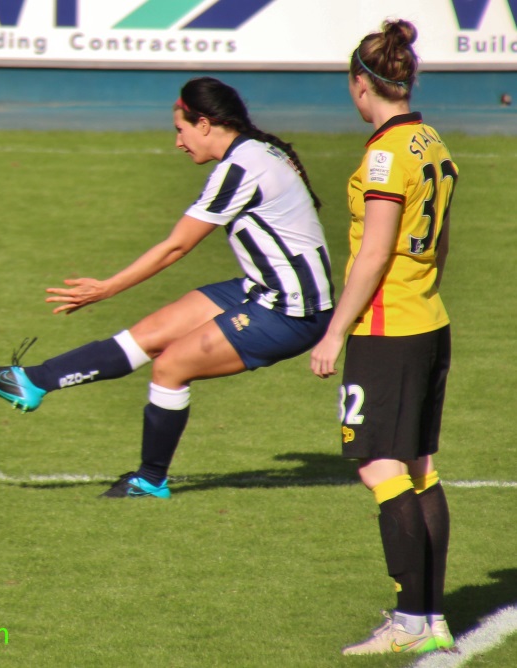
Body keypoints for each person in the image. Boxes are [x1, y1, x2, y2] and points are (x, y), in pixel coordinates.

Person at [0, 76, 334, 499]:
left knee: (170, 367)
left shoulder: (241, 170)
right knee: (151, 334)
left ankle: (150, 480)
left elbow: (176, 246)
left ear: (205, 124)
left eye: (180, 130)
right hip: (263, 289)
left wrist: (107, 288)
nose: (178, 143)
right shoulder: (258, 152)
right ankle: (31, 381)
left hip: (290, 311)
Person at [309, 20, 457, 656]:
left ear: (359, 84)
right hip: (428, 320)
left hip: (385, 328)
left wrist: (334, 332)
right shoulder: (430, 140)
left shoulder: (384, 155)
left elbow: (372, 253)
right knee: (419, 467)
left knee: (379, 466)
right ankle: (431, 616)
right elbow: (441, 243)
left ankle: (409, 622)